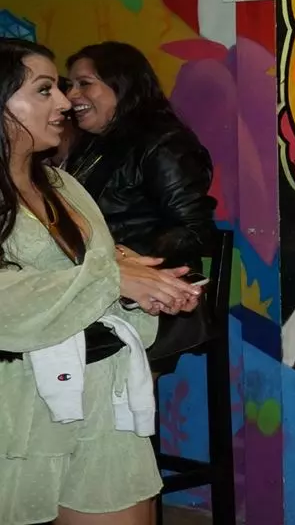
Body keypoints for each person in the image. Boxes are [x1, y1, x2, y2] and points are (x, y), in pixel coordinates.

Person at [0, 37, 202, 525]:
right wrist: (114, 277)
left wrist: (145, 288)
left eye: (64, 87)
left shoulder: (62, 184)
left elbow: (93, 271)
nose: (64, 101)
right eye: (45, 89)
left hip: (101, 384)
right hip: (18, 399)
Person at [64, 42, 218, 374]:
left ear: (122, 85)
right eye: (69, 85)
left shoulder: (163, 143)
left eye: (84, 83)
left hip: (152, 302)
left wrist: (131, 258)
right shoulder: (92, 145)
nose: (70, 95)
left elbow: (195, 230)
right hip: (100, 291)